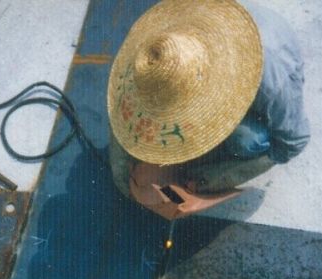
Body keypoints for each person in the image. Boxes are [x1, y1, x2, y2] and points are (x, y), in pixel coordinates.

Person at [107, 0, 310, 220]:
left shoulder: (271, 82)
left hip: (267, 62)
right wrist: (124, 179)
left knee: (248, 141)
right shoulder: (155, 54)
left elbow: (292, 143)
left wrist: (205, 180)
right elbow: (123, 114)